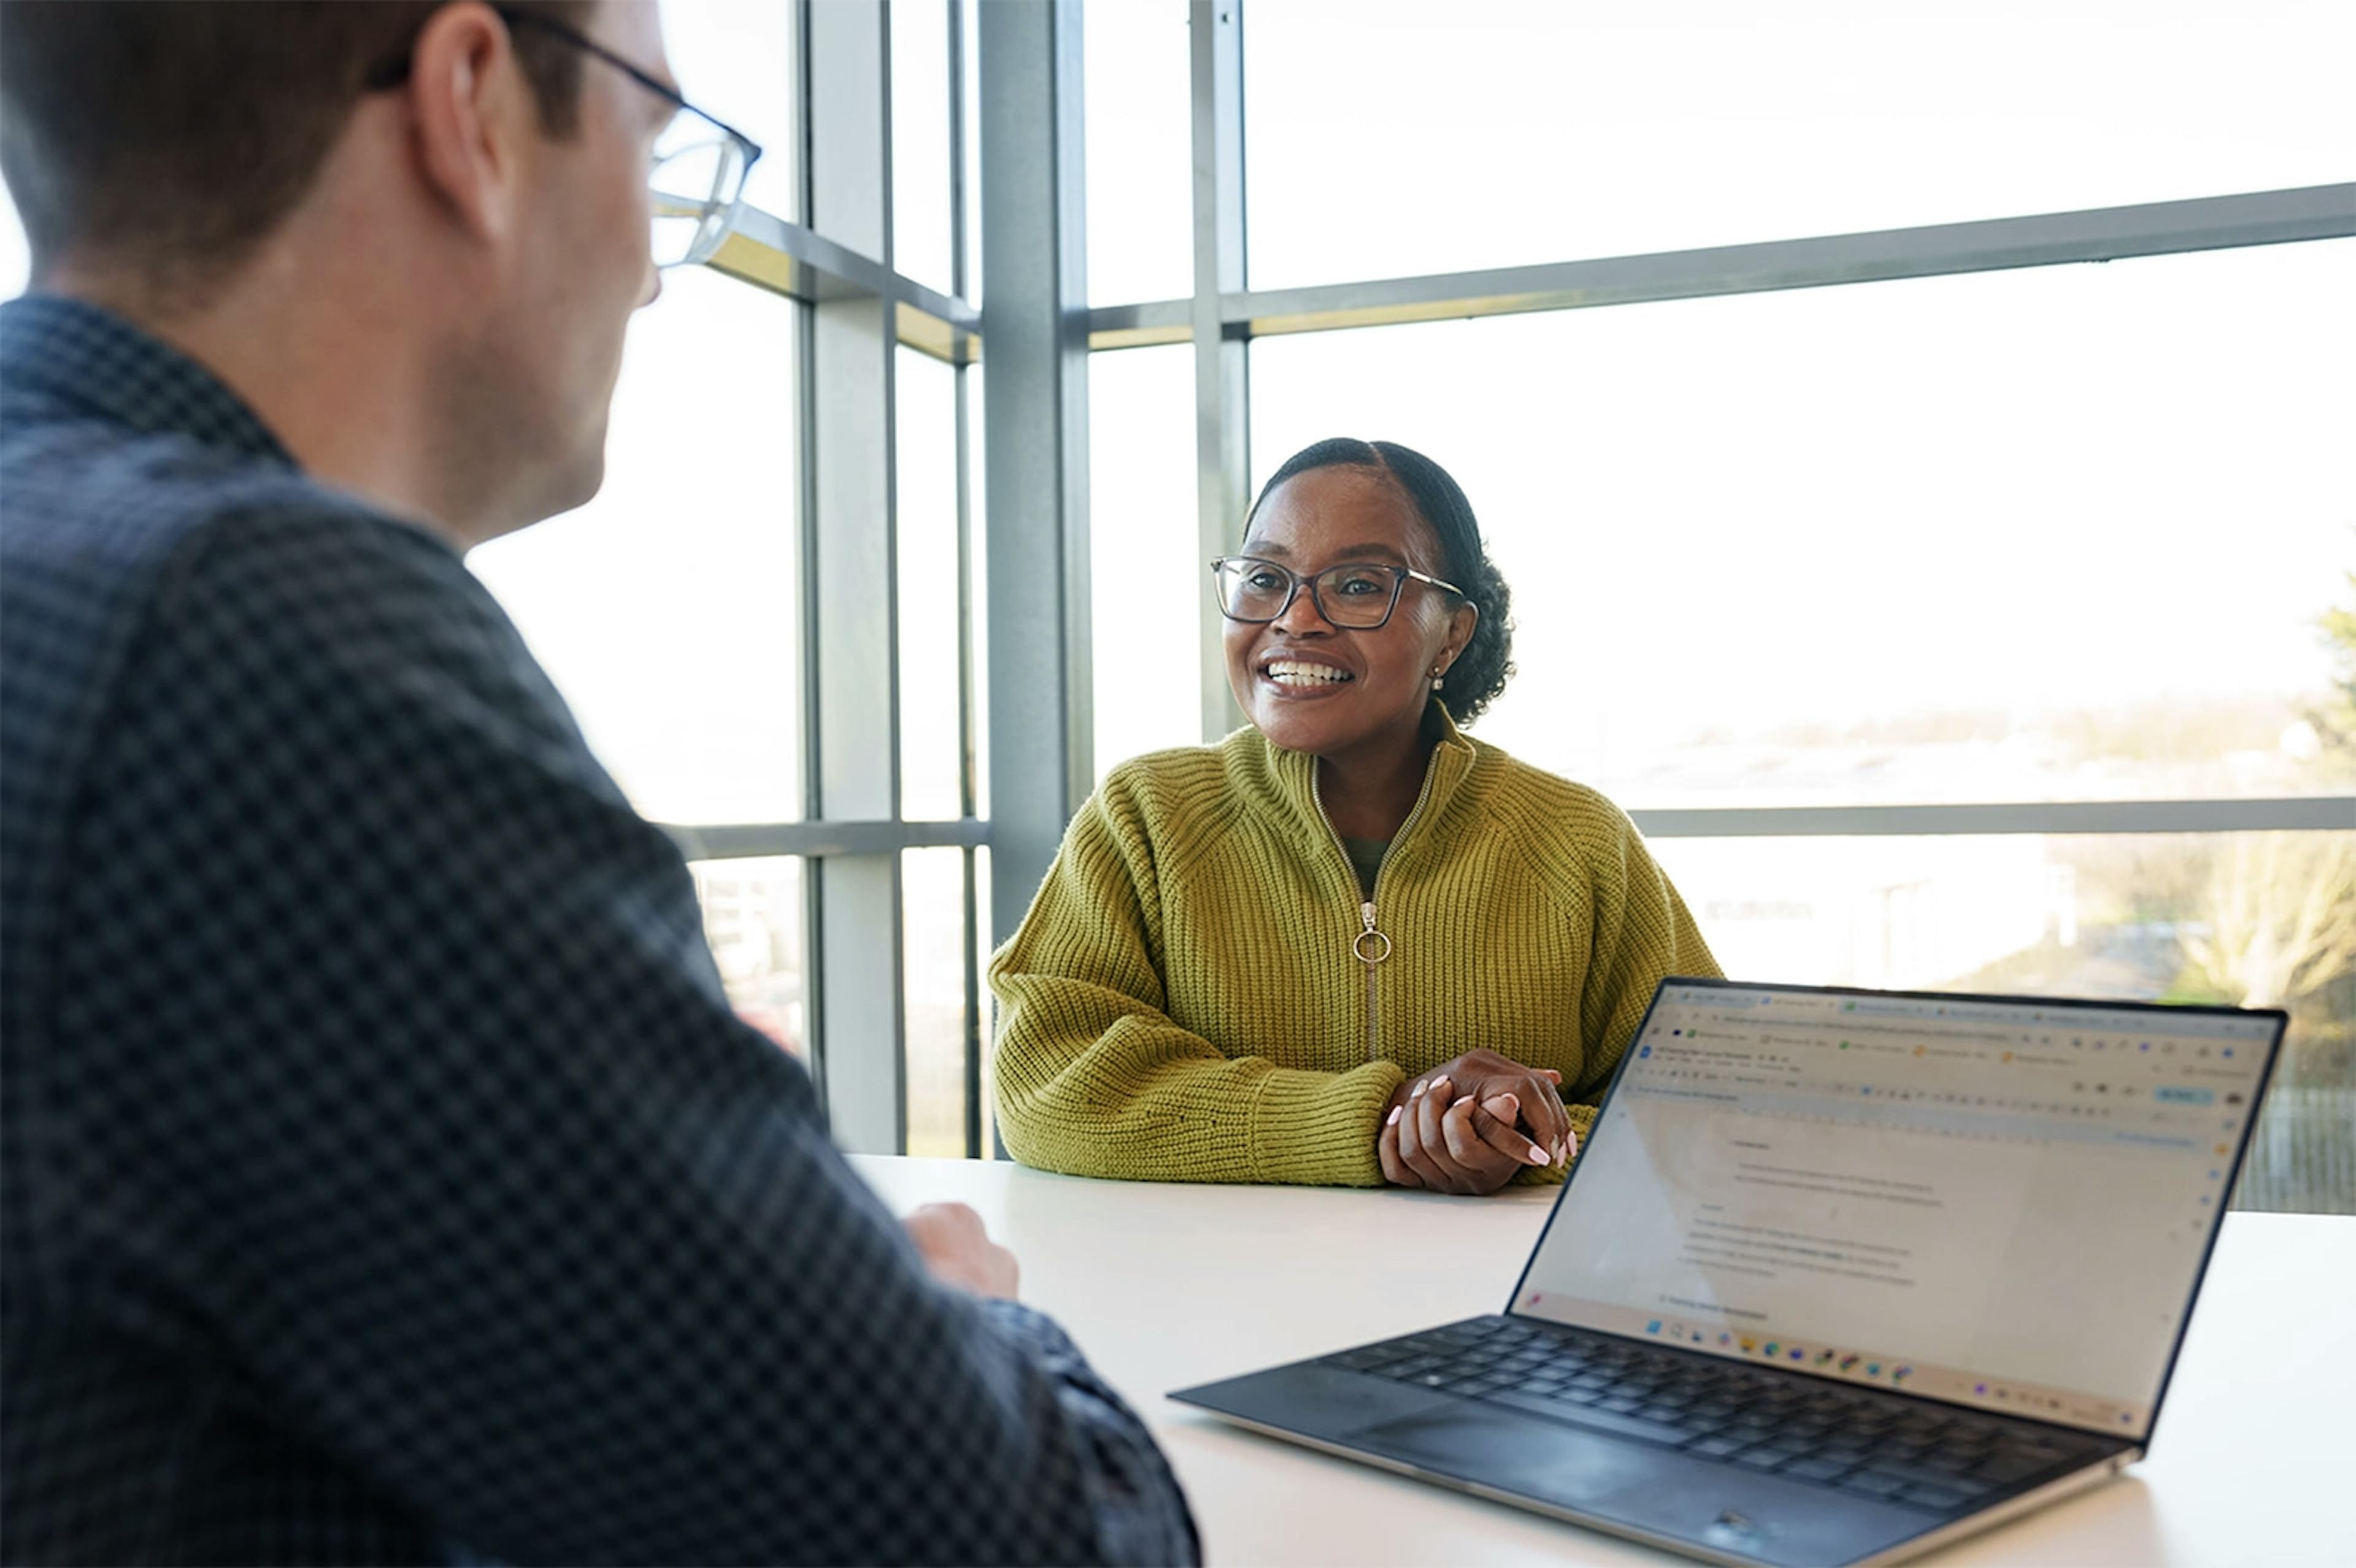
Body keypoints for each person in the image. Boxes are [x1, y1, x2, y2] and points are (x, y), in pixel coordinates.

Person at [0, 2, 1195, 1561]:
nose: (649, 264)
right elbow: (1010, 1534)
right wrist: (941, 1317)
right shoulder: (258, 636)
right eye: (652, 139)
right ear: (473, 107)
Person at [990, 437, 1721, 1196]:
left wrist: (1526, 1141)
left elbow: (1712, 1111)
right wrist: (1380, 1123)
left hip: (1486, 1300)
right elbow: (1047, 1089)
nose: (1295, 620)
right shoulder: (1147, 817)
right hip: (1212, 1299)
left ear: (1452, 632)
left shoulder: (1577, 841)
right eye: (1266, 578)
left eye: (1360, 585)